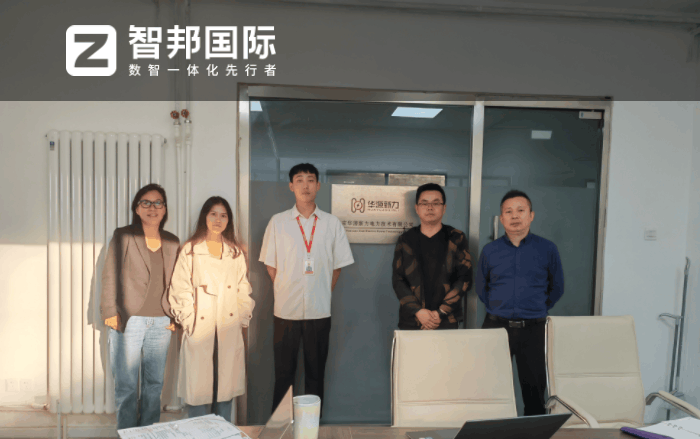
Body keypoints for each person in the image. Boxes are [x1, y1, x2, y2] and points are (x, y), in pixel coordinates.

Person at [260, 163, 354, 414]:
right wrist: (287, 288)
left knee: (316, 374)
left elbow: (337, 267)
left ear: (318, 185)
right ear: (291, 186)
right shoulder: (278, 222)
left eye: (310, 180)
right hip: (285, 311)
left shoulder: (331, 223)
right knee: (283, 374)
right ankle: (281, 427)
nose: (305, 185)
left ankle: (312, 427)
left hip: (319, 311)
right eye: (299, 180)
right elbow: (271, 265)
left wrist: (320, 291)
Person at [476, 189, 564, 416]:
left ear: (531, 215)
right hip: (496, 327)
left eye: (520, 210)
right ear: (501, 218)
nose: (514, 216)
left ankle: (531, 431)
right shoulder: (490, 251)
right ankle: (491, 431)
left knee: (534, 393)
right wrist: (500, 307)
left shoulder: (547, 249)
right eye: (508, 211)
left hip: (534, 330)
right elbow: (481, 288)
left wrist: (535, 308)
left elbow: (557, 288)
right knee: (490, 388)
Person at [168, 196, 255, 422]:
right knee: (198, 390)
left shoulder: (234, 252)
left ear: (229, 220)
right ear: (204, 217)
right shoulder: (190, 250)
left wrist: (241, 317)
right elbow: (180, 288)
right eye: (213, 214)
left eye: (223, 215)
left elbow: (243, 287)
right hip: (200, 326)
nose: (218, 220)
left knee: (225, 388)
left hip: (227, 326)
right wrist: (189, 320)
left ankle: (222, 432)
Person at [100, 183, 180, 429]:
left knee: (154, 384)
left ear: (164, 209)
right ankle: (126, 433)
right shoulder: (124, 235)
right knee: (126, 384)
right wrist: (109, 311)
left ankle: (148, 432)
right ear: (136, 208)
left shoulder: (172, 241)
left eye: (158, 203)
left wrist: (176, 317)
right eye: (146, 202)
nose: (152, 208)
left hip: (162, 321)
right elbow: (109, 273)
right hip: (129, 319)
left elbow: (178, 282)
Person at [392, 183, 472, 330]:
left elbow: (464, 279)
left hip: (446, 320)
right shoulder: (406, 240)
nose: (430, 208)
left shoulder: (456, 238)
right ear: (417, 208)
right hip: (412, 319)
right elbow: (398, 280)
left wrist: (440, 312)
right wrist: (419, 312)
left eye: (436, 203)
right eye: (424, 203)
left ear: (444, 208)